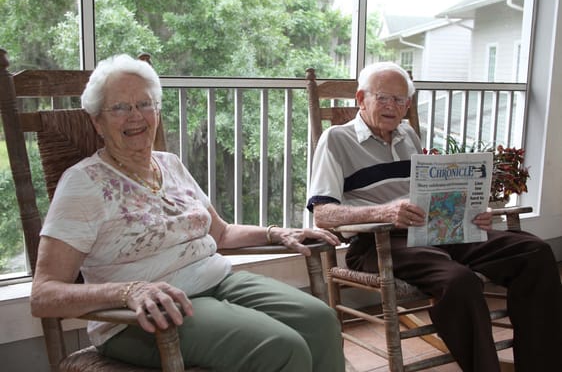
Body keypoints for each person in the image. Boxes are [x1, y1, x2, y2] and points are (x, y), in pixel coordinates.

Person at [30, 54, 345, 372]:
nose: (135, 116)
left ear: (157, 111)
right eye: (120, 107)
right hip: (145, 317)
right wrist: (129, 291)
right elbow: (44, 294)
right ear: (97, 121)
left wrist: (275, 232)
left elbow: (219, 233)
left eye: (144, 104)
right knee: (281, 349)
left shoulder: (170, 163)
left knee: (320, 321)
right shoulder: (83, 183)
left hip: (218, 282)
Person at [307, 61, 562, 372]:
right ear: (361, 98)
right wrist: (384, 211)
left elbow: (429, 196)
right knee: (458, 280)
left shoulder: (409, 135)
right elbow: (323, 214)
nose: (392, 106)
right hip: (378, 242)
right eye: (383, 97)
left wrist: (472, 211)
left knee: (534, 252)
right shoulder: (336, 140)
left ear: (409, 104)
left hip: (433, 230)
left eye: (400, 100)